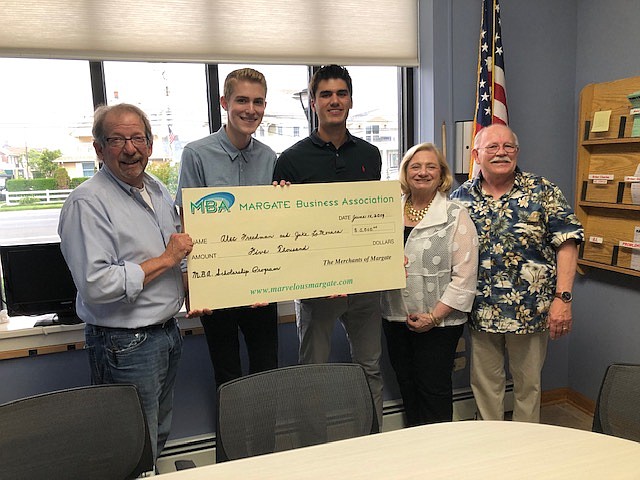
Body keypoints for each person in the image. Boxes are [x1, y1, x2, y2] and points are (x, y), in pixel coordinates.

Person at [58, 103, 194, 463]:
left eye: (137, 138)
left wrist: (196, 285)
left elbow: (175, 255)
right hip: (125, 344)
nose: (129, 148)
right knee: (128, 445)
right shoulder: (87, 203)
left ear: (150, 145)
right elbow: (97, 285)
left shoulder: (156, 189)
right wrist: (166, 259)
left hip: (166, 333)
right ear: (99, 149)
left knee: (157, 435)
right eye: (117, 139)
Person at [272, 64, 384, 425]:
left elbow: (371, 219)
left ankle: (375, 437)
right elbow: (283, 229)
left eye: (341, 93)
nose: (334, 101)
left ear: (350, 100)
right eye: (325, 94)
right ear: (313, 102)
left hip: (364, 285)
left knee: (369, 366)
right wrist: (280, 203)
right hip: (316, 288)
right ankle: (313, 449)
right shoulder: (290, 159)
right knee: (313, 373)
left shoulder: (370, 155)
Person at [451, 124, 584, 423]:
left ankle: (526, 451)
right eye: (492, 147)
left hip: (531, 309)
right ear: (476, 154)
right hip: (480, 310)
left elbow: (568, 241)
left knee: (528, 387)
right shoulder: (460, 198)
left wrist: (563, 298)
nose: (501, 152)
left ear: (517, 151)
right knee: (485, 386)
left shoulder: (543, 191)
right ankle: (492, 447)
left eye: (508, 146)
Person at [175, 68, 279, 388]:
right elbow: (185, 224)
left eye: (258, 102)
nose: (251, 109)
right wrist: (191, 287)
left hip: (262, 284)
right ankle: (233, 440)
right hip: (216, 285)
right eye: (242, 100)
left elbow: (275, 225)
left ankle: (265, 440)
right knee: (227, 376)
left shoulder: (269, 157)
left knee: (267, 371)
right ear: (224, 102)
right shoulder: (196, 153)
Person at [381, 143, 478, 426]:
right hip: (395, 316)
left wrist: (434, 317)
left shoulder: (455, 215)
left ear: (441, 174)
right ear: (405, 172)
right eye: (415, 166)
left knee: (433, 390)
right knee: (407, 387)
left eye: (430, 166)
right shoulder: (387, 212)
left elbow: (465, 276)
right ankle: (416, 455)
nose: (422, 172)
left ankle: (439, 460)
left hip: (439, 323)